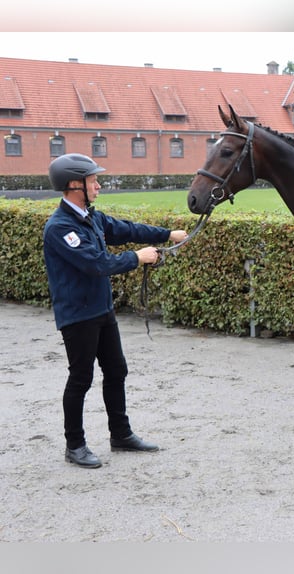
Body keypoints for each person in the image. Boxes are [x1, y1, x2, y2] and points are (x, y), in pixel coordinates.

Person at [43, 153, 189, 469]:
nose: (98, 184)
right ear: (73, 185)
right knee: (81, 378)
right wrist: (138, 258)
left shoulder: (90, 217)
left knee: (117, 370)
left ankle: (120, 435)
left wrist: (166, 235)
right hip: (77, 315)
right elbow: (97, 264)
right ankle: (75, 445)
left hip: (101, 310)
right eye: (92, 179)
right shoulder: (60, 228)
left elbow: (125, 229)